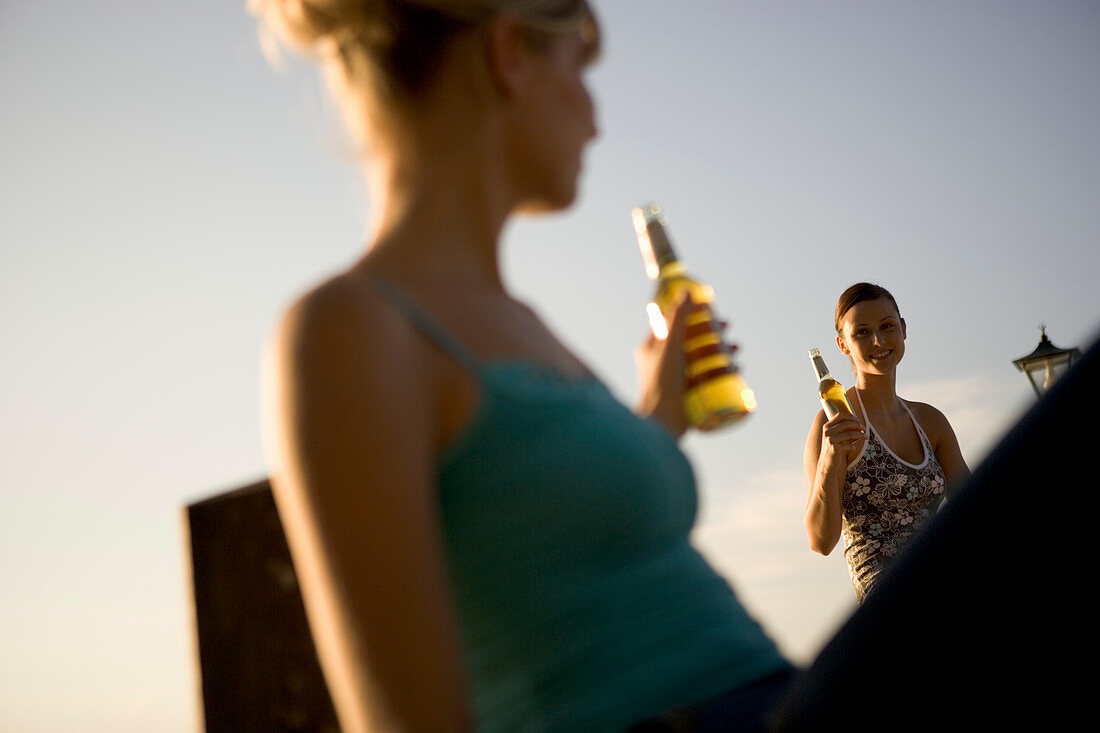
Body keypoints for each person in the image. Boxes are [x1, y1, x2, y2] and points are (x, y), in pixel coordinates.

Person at [254, 1, 794, 731]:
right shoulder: (353, 328)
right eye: (579, 69)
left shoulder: (522, 322)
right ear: (510, 54)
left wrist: (659, 412)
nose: (596, 120)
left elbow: (556, 532)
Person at [803, 283, 971, 602]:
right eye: (862, 333)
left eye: (887, 327)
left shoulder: (930, 422)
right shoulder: (832, 423)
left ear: (903, 329)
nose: (878, 341)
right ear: (843, 345)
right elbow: (820, 541)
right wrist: (830, 457)